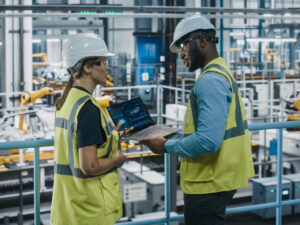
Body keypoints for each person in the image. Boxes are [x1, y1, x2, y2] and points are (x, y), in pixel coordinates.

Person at [141, 15, 255, 225]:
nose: (181, 54)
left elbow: (208, 141)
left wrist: (165, 145)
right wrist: (175, 135)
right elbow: (212, 129)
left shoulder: (209, 81)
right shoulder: (220, 72)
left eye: (184, 45)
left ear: (203, 41)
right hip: (220, 176)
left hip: (209, 181)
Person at [50, 33, 132, 225]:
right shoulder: (88, 108)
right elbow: (89, 166)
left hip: (68, 207)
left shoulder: (67, 102)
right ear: (86, 67)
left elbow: (77, 141)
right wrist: (116, 160)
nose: (107, 67)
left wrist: (111, 138)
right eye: (102, 62)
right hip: (89, 210)